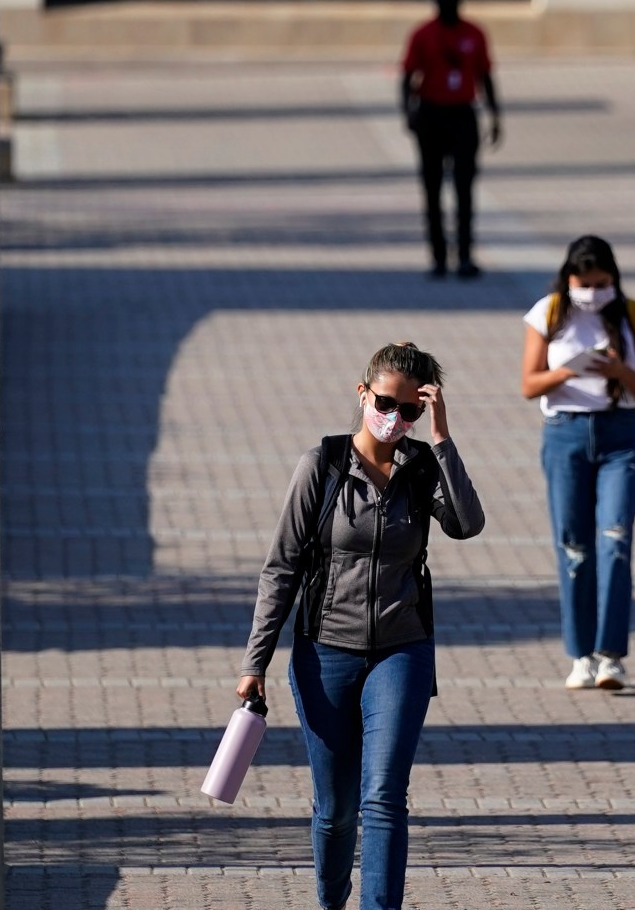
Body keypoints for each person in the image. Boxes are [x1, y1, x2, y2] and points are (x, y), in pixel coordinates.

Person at [240, 342, 485, 910]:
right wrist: (254, 663)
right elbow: (281, 569)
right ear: (362, 393)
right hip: (325, 653)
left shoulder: (422, 467)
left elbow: (467, 524)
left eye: (410, 411)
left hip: (402, 649)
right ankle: (331, 900)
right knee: (336, 809)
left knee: (383, 797)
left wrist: (443, 439)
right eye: (385, 403)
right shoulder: (320, 466)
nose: (395, 419)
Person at [519, 235, 635, 691]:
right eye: (586, 283)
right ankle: (580, 654)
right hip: (566, 434)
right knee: (573, 545)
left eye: (603, 284)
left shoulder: (634, 313)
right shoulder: (548, 312)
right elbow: (528, 384)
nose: (594, 292)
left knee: (615, 540)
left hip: (621, 434)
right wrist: (570, 369)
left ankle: (611, 656)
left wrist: (619, 371)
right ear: (569, 278)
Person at [399, 0, 502, 279]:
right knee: (432, 190)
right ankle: (438, 257)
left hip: (462, 116)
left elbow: (486, 76)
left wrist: (495, 116)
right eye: (442, 0)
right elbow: (407, 76)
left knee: (464, 189)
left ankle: (466, 256)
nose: (448, 5)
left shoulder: (474, 34)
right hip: (431, 114)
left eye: (452, 0)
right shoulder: (423, 34)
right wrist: (408, 111)